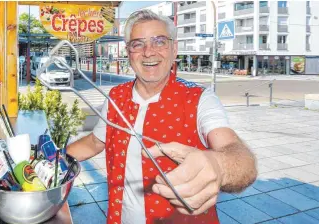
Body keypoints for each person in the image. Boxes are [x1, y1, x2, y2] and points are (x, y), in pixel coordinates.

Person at [67, 10, 257, 224]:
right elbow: (95, 142)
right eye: (138, 44)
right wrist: (55, 159)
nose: (149, 52)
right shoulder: (116, 96)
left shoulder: (199, 98)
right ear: (129, 52)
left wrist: (219, 165)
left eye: (159, 41)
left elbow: (238, 156)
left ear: (174, 49)